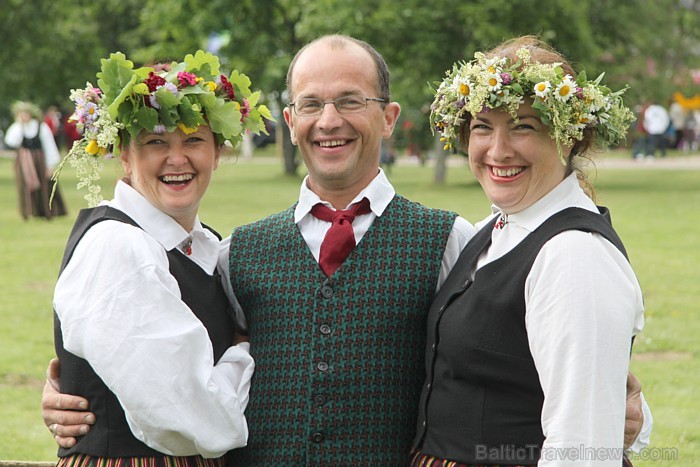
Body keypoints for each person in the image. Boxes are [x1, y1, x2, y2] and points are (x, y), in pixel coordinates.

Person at [42, 35, 650, 465]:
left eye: (351, 100)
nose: (329, 119)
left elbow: (519, 364)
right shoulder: (234, 254)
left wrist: (629, 419)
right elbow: (172, 368)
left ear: (388, 118)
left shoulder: (458, 241)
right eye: (312, 103)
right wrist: (79, 393)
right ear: (290, 119)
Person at [412, 36, 646, 466]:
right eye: (483, 126)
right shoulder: (491, 230)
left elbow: (581, 445)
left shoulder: (575, 255)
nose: (497, 150)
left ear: (569, 137)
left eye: (523, 125)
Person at [48, 50, 272, 465]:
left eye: (194, 139)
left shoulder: (206, 247)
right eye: (155, 142)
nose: (177, 158)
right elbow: (195, 419)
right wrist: (245, 350)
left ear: (217, 153)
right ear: (125, 156)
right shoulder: (118, 248)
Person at [4, 101, 67, 219]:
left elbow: (49, 146)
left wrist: (50, 165)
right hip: (23, 162)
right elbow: (11, 141)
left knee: (44, 185)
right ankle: (28, 212)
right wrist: (19, 125)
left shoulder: (40, 127)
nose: (23, 116)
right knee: (25, 186)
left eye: (25, 114)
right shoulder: (18, 127)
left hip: (39, 160)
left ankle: (45, 212)